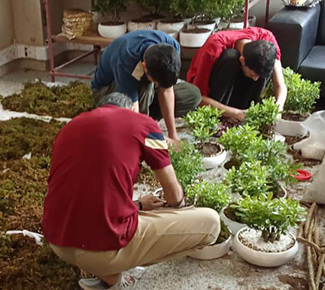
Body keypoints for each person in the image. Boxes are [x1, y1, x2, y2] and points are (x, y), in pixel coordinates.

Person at [42, 92, 220, 290]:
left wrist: (138, 205)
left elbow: (90, 192)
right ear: (133, 109)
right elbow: (174, 195)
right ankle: (110, 267)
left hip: (58, 242)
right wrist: (180, 209)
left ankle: (108, 276)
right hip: (101, 250)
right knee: (211, 223)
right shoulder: (145, 124)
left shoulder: (70, 127)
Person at [91, 30, 201, 144]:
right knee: (146, 88)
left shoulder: (172, 47)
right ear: (144, 67)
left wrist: (173, 136)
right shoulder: (127, 57)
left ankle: (148, 116)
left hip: (144, 90)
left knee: (193, 95)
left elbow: (167, 91)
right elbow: (131, 109)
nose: (158, 85)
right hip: (108, 92)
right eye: (157, 83)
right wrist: (150, 138)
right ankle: (144, 126)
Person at [186, 27, 287, 121]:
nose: (255, 79)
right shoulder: (213, 47)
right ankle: (222, 117)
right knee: (231, 57)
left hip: (240, 91)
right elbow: (198, 98)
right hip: (217, 91)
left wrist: (278, 108)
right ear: (242, 60)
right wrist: (236, 113)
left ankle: (247, 110)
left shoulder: (267, 40)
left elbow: (280, 86)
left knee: (264, 67)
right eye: (253, 75)